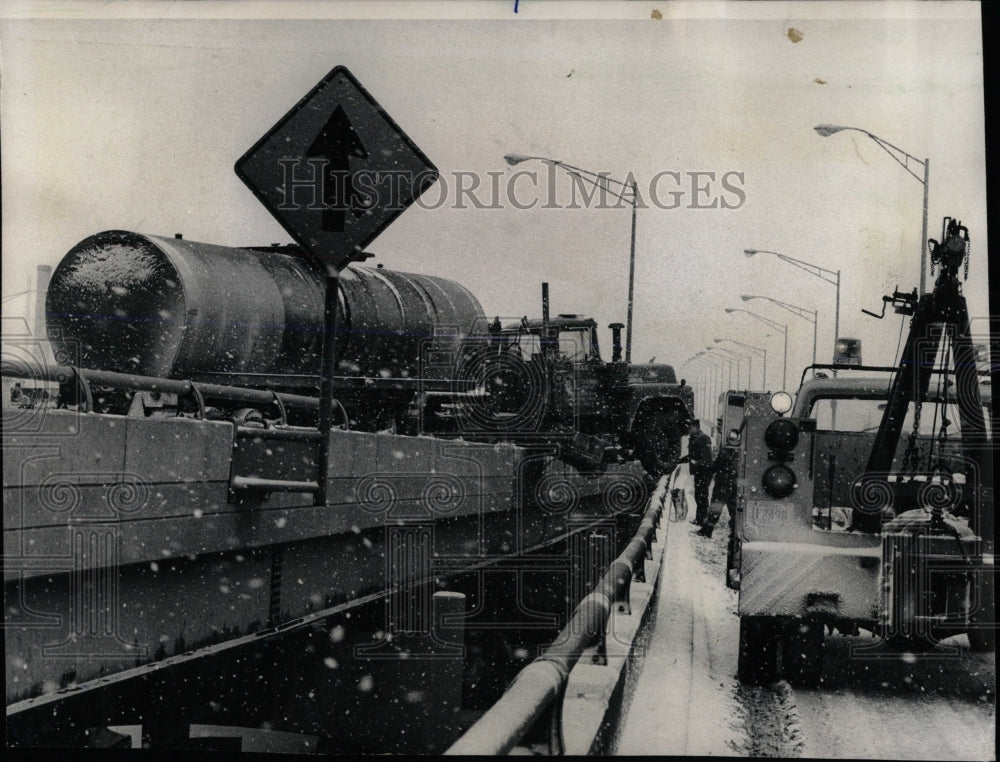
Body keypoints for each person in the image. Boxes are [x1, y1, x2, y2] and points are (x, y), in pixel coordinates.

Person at [697, 428, 740, 538]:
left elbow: (717, 465)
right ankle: (734, 533)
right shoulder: (740, 451)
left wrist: (709, 467)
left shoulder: (725, 450)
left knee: (716, 507)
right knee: (734, 509)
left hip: (723, 483)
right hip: (735, 483)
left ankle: (707, 530)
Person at [686, 419, 713, 526]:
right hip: (699, 472)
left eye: (690, 427)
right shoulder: (695, 438)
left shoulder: (704, 438)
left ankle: (703, 520)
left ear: (696, 427)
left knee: (702, 496)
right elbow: (692, 455)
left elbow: (706, 459)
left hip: (704, 471)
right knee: (699, 495)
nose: (689, 430)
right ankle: (700, 518)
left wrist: (695, 462)